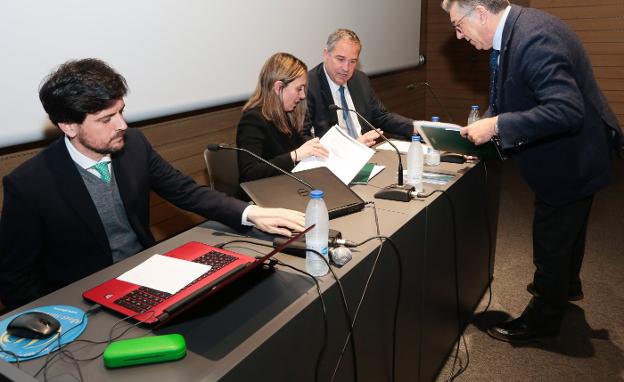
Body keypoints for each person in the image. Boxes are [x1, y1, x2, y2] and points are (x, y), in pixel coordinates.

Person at [0, 58, 305, 310]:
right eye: (107, 119)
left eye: (121, 111)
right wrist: (54, 324)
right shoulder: (29, 185)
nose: (123, 125)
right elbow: (14, 277)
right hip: (84, 305)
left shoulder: (133, 146)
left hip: (148, 278)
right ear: (68, 126)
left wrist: (251, 214)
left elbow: (186, 191)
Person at [442, 0, 623, 342]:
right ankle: (564, 288)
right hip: (575, 153)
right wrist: (492, 118)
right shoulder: (518, 30)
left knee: (553, 236)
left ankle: (542, 320)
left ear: (479, 13)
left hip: (570, 159)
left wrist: (498, 125)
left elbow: (566, 110)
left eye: (459, 27)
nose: (460, 37)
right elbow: (514, 91)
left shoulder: (533, 39)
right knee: (568, 233)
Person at [303, 28, 417, 146]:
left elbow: (381, 116)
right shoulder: (308, 86)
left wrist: (417, 127)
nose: (346, 68)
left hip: (366, 154)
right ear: (326, 54)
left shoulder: (360, 79)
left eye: (352, 61)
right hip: (331, 160)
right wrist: (353, 146)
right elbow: (304, 138)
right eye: (340, 59)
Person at [236, 52, 328, 188]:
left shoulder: (287, 115)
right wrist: (294, 155)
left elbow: (305, 148)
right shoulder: (253, 120)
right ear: (279, 87)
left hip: (287, 189)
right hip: (262, 197)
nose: (303, 95)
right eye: (299, 89)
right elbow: (249, 174)